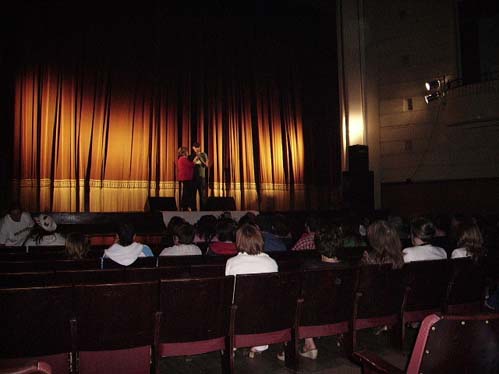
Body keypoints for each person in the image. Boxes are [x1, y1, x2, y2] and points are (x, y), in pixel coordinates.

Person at [225, 223, 278, 357]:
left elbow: (229, 293)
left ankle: (234, 343)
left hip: (239, 313)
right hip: (264, 313)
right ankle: (260, 343)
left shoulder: (232, 262)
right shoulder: (272, 262)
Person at [189, 141, 209, 210]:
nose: (197, 149)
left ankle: (203, 210)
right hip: (193, 178)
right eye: (196, 147)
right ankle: (194, 210)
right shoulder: (191, 156)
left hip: (201, 177)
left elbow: (206, 165)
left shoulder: (204, 154)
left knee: (202, 195)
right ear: (193, 148)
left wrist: (200, 157)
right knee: (193, 195)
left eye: (198, 147)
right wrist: (195, 157)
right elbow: (190, 165)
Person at [177, 146, 195, 211]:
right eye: (187, 151)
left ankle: (184, 205)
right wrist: (194, 161)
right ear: (184, 152)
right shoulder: (183, 159)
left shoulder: (182, 159)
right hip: (186, 178)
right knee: (186, 192)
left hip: (186, 178)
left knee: (186, 192)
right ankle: (184, 205)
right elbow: (191, 165)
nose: (188, 153)